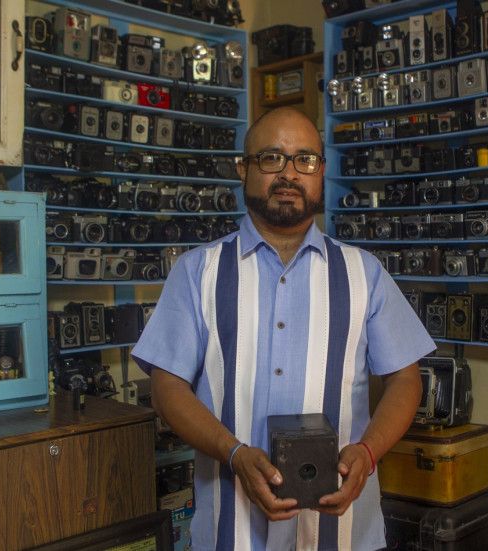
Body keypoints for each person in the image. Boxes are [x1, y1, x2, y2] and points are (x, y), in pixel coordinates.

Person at [131, 107, 435, 551]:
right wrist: (234, 453)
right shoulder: (198, 272)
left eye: (305, 159)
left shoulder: (363, 273)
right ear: (243, 168)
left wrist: (368, 453)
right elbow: (166, 389)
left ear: (321, 171)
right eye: (271, 157)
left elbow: (406, 380)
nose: (289, 173)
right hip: (231, 532)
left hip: (343, 533)